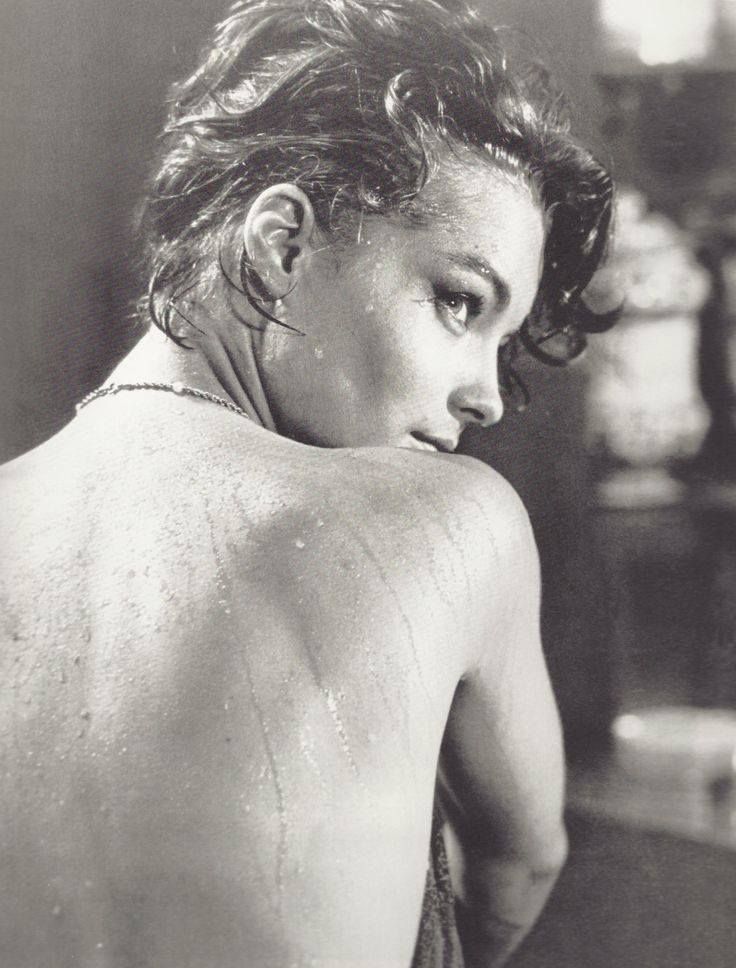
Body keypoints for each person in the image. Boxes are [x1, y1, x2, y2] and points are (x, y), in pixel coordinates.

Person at [0, 1, 616, 965]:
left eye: (503, 343)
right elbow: (521, 870)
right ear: (282, 244)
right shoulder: (453, 521)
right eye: (460, 302)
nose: (489, 397)